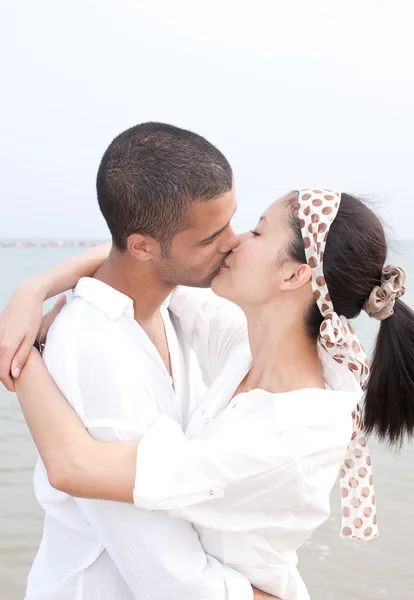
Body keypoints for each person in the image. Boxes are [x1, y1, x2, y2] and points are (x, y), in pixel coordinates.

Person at [5, 184, 414, 597]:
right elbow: (147, 264)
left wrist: (25, 354)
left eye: (257, 231)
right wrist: (33, 290)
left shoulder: (290, 430)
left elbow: (74, 467)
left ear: (294, 274)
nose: (235, 240)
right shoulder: (256, 349)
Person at [1, 122, 279, 600]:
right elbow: (167, 576)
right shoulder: (96, 351)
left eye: (233, 220)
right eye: (213, 235)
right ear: (143, 246)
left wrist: (36, 285)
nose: (234, 242)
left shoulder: (172, 302)